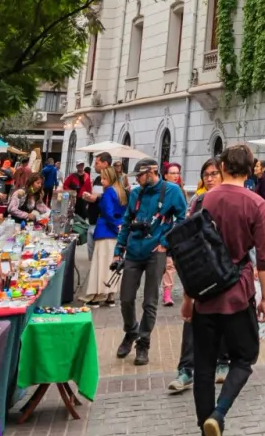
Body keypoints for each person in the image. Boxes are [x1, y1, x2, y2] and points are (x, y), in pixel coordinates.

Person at [184, 143, 265, 436]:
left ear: (221, 167)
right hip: (237, 293)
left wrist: (187, 299)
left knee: (204, 368)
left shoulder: (203, 200)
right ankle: (218, 415)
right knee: (245, 356)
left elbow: (189, 252)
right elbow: (264, 258)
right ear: (250, 171)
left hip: (205, 294)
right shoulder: (256, 203)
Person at [115, 160, 187, 366]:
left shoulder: (172, 191)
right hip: (133, 251)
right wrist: (118, 250)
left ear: (152, 172)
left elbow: (182, 219)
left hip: (156, 253)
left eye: (140, 175)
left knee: (150, 301)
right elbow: (127, 221)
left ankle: (143, 343)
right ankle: (131, 332)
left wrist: (165, 243)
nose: (136, 179)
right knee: (126, 298)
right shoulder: (137, 193)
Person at [166, 158, 223, 394]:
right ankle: (186, 369)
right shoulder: (197, 200)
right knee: (191, 319)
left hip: (223, 268)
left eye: (213, 174)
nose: (209, 178)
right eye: (206, 174)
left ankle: (222, 362)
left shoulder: (228, 200)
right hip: (200, 267)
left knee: (223, 317)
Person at [83, 169, 126, 304]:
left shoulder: (108, 192)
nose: (101, 181)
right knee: (112, 264)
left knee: (101, 264)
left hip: (105, 230)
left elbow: (107, 213)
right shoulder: (121, 192)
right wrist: (119, 227)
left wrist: (114, 226)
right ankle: (110, 296)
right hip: (116, 231)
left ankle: (98, 295)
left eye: (104, 178)